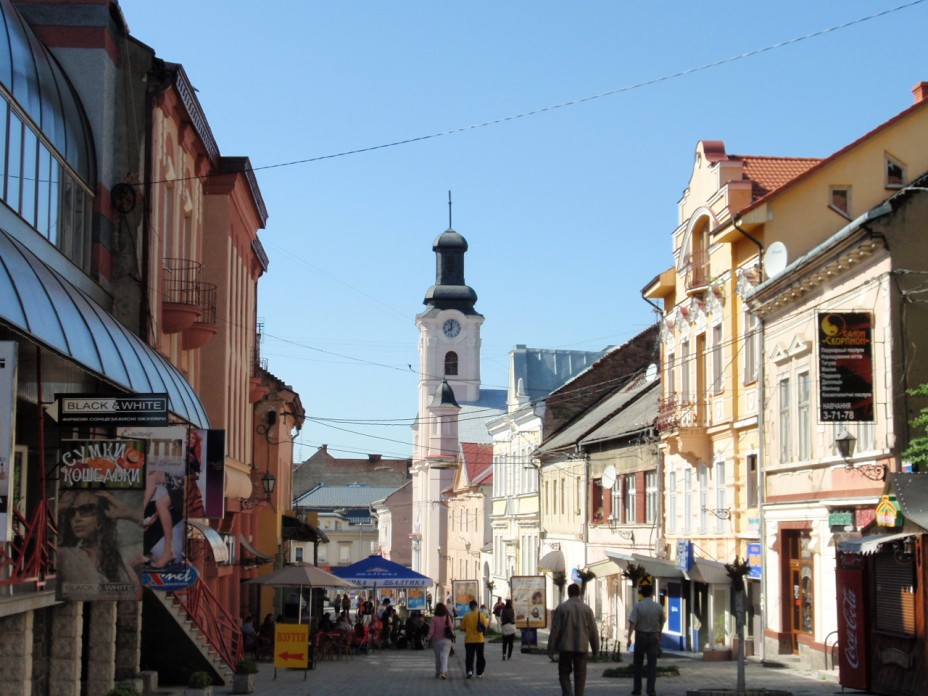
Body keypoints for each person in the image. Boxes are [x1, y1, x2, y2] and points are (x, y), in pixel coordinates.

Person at [57, 489, 142, 600]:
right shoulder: (65, 555)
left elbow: (136, 594)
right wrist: (59, 508)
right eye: (71, 513)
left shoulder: (117, 557)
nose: (76, 518)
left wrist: (130, 513)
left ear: (102, 518)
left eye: (86, 510)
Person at [548, 582, 599, 696]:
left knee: (564, 674)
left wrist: (551, 648)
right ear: (579, 593)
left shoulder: (561, 608)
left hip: (565, 647)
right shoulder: (587, 610)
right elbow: (593, 631)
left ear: (568, 593)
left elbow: (555, 630)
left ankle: (568, 693)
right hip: (581, 647)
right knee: (580, 676)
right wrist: (595, 650)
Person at [627, 583, 665, 696]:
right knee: (652, 665)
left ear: (642, 593)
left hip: (641, 636)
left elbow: (633, 623)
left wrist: (629, 638)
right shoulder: (658, 606)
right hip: (653, 636)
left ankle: (637, 690)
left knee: (638, 664)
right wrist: (659, 632)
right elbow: (662, 621)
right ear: (652, 593)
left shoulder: (638, 606)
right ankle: (651, 690)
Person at [460, 599, 487, 679]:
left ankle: (469, 671)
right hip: (479, 640)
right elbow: (485, 626)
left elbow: (462, 628)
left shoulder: (466, 616)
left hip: (469, 640)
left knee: (469, 657)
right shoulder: (481, 615)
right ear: (476, 606)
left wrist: (468, 629)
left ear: (470, 607)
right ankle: (479, 672)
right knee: (480, 657)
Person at [428, 602, 454, 679]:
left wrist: (428, 637)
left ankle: (439, 672)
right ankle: (443, 671)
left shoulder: (434, 619)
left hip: (436, 641)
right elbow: (452, 627)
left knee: (438, 657)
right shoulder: (447, 617)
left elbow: (431, 630)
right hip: (447, 639)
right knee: (444, 655)